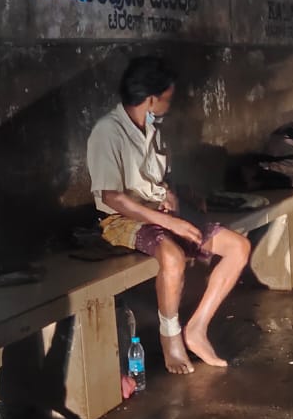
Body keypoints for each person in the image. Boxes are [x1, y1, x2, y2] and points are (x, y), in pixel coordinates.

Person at [87, 56, 251, 374]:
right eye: (167, 98)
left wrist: (173, 196)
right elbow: (111, 197)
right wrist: (167, 220)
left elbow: (162, 178)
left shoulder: (153, 129)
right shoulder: (107, 132)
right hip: (122, 219)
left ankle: (197, 329)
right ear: (151, 99)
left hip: (160, 212)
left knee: (238, 247)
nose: (169, 105)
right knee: (173, 257)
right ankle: (170, 336)